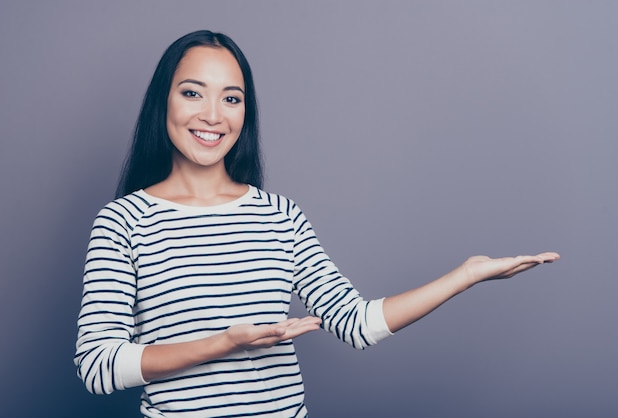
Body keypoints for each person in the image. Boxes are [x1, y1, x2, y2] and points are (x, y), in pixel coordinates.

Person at [74, 30, 559, 418]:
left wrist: (466, 275)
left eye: (232, 98)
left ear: (247, 111)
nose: (212, 115)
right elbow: (97, 366)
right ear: (165, 101)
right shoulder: (124, 221)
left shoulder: (279, 216)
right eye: (192, 92)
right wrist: (221, 344)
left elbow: (357, 323)